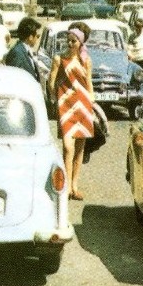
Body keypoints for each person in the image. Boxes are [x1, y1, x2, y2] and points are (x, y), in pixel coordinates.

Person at [48, 28, 95, 201]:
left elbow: (88, 83)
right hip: (66, 105)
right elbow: (51, 81)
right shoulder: (59, 59)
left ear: (81, 43)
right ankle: (66, 186)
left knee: (79, 148)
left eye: (73, 41)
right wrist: (55, 99)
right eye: (68, 40)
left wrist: (92, 102)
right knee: (68, 147)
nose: (69, 44)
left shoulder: (86, 61)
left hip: (83, 105)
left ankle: (74, 186)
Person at [3, 16, 42, 83]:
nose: (37, 39)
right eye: (37, 36)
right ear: (30, 37)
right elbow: (14, 80)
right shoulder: (17, 53)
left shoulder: (25, 51)